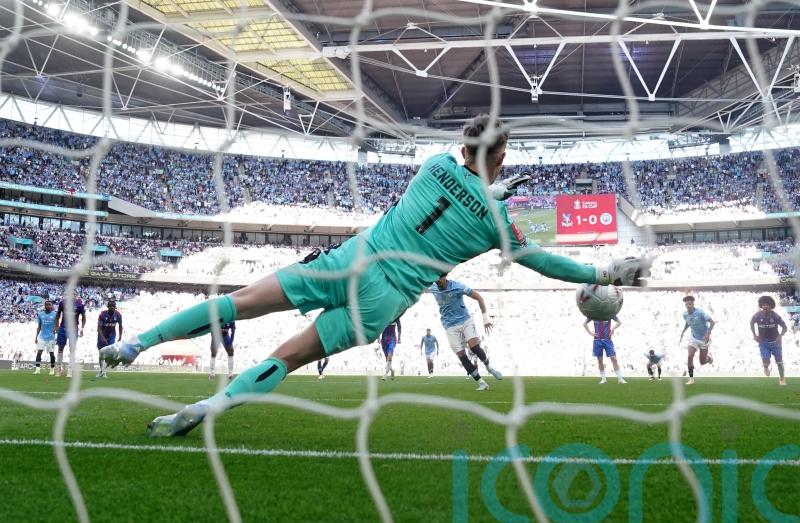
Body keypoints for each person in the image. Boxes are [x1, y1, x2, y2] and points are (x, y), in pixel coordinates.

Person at [100, 114, 651, 437]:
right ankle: (206, 410)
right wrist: (602, 269)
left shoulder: (435, 164)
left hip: (355, 259)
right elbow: (542, 260)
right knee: (288, 357)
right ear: (503, 158)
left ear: (462, 148)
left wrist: (488, 187)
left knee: (242, 301)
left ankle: (138, 343)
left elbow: (462, 186)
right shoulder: (498, 224)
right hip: (387, 298)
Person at [430, 274, 500, 390]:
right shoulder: (433, 287)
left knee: (474, 347)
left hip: (465, 321)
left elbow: (479, 297)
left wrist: (486, 319)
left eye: (440, 279)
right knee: (461, 356)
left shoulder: (457, 286)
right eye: (436, 280)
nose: (438, 282)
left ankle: (489, 367)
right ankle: (481, 383)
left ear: (445, 276)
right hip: (449, 326)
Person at [750, 295, 788, 385]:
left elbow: (785, 328)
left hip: (776, 342)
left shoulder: (776, 317)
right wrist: (755, 335)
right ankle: (766, 367)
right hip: (763, 342)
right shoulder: (757, 316)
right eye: (763, 304)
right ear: (761, 306)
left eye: (767, 304)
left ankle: (782, 379)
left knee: (779, 362)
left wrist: (780, 337)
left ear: (771, 306)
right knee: (766, 360)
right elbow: (751, 323)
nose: (765, 306)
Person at [679, 295, 715, 385]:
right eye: (686, 304)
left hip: (704, 339)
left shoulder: (700, 312)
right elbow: (688, 322)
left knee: (702, 362)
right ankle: (691, 379)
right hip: (694, 338)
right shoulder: (685, 314)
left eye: (689, 304)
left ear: (693, 303)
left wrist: (708, 333)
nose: (688, 306)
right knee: (689, 356)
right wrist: (683, 332)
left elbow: (712, 322)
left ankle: (709, 358)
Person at [582, 316, 625, 384]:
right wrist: (591, 333)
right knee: (600, 360)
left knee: (614, 358)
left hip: (607, 340)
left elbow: (619, 322)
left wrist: (613, 329)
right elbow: (584, 324)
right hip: (597, 340)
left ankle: (620, 379)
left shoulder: (609, 313)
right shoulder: (594, 315)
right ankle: (603, 379)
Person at [55, 293, 86, 377]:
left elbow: (84, 317)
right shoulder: (63, 303)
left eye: (73, 294)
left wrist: (82, 328)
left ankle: (70, 370)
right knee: (60, 349)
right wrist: (56, 325)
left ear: (76, 296)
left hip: (74, 329)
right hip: (63, 328)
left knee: (72, 350)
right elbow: (58, 314)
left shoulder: (80, 304)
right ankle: (58, 369)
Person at [96, 300, 123, 379]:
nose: (112, 308)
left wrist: (120, 336)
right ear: (108, 306)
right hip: (102, 335)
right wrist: (102, 338)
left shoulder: (118, 315)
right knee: (101, 353)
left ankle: (104, 372)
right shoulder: (102, 314)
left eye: (113, 306)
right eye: (110, 306)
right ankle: (101, 370)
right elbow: (99, 328)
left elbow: (120, 326)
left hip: (112, 335)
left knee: (110, 354)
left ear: (115, 307)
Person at [34, 300, 58, 375]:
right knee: (39, 352)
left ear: (51, 306)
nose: (48, 306)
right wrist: (36, 337)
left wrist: (55, 329)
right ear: (44, 306)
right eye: (46, 305)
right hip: (42, 337)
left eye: (49, 305)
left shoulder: (55, 314)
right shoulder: (40, 314)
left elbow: (57, 324)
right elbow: (39, 326)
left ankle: (52, 369)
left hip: (51, 337)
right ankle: (37, 369)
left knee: (51, 353)